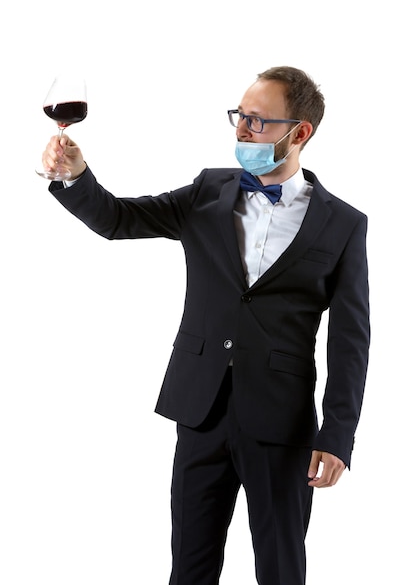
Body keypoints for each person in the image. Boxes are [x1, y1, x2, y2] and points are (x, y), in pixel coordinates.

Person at [41, 66, 370, 585]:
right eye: (239, 115)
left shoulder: (345, 224)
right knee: (190, 569)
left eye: (257, 121)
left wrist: (338, 436)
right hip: (201, 411)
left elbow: (351, 341)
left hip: (282, 426)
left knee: (282, 569)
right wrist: (76, 176)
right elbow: (118, 219)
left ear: (299, 133)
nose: (241, 128)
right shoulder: (206, 192)